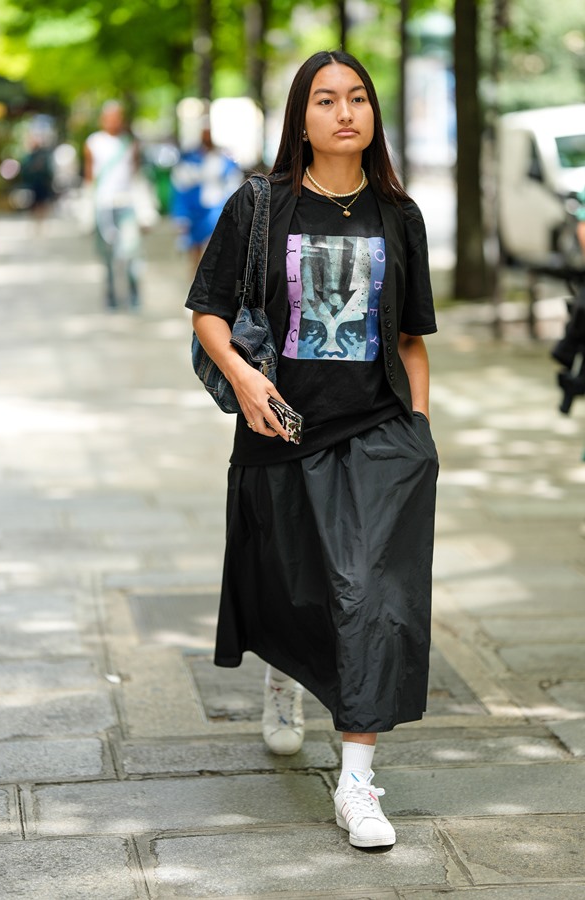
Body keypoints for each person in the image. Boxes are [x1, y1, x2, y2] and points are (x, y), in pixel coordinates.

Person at [186, 50, 438, 851]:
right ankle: (286, 674)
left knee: (370, 597)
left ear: (372, 114)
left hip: (378, 434)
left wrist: (419, 436)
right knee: (300, 586)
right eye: (325, 100)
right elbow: (208, 312)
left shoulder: (400, 215)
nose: (344, 112)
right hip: (284, 429)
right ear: (301, 116)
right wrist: (245, 381)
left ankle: (356, 782)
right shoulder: (261, 205)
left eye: (357, 97)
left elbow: (411, 340)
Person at [84, 101, 142, 310]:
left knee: (130, 251)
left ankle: (134, 293)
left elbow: (137, 176)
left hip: (126, 204)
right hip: (103, 205)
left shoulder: (130, 143)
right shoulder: (93, 142)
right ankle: (110, 295)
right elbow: (89, 178)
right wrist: (88, 210)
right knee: (107, 254)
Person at [170, 124, 242, 267]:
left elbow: (233, 182)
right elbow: (181, 186)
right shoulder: (190, 159)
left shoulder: (223, 159)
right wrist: (181, 215)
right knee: (195, 246)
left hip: (216, 208)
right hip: (196, 210)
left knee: (216, 245)